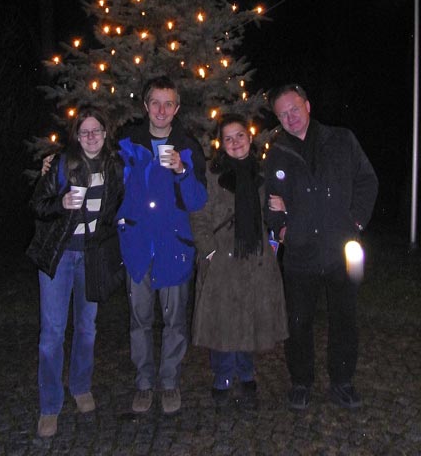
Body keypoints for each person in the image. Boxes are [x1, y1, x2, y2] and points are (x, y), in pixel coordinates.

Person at [264, 84, 378, 411]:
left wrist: (355, 222)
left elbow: (367, 181)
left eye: (294, 109)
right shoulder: (278, 152)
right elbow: (270, 200)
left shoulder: (341, 140)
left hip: (343, 249)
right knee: (298, 322)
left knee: (344, 318)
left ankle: (342, 382)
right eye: (283, 114)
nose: (291, 117)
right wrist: (282, 229)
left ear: (308, 105)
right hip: (300, 253)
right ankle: (301, 382)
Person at [26, 107, 124, 438]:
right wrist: (61, 204)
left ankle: (80, 387)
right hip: (60, 254)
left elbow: (117, 206)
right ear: (76, 136)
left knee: (87, 328)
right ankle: (50, 405)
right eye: (85, 132)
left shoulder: (115, 166)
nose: (92, 137)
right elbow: (38, 205)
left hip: (92, 256)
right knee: (52, 333)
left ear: (106, 133)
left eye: (97, 131)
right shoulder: (62, 163)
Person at [116, 75, 207, 415]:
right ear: (145, 105)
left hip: (174, 248)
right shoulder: (127, 143)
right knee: (139, 320)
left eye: (169, 103)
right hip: (139, 247)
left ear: (177, 108)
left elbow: (198, 201)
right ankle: (143, 382)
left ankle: (168, 381)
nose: (161, 110)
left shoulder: (188, 147)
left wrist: (183, 171)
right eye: (155, 102)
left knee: (174, 321)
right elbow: (109, 183)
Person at [191, 114, 288, 404]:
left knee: (249, 315)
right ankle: (222, 374)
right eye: (229, 138)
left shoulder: (264, 173)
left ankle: (246, 373)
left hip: (254, 256)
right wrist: (209, 250)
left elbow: (274, 211)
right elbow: (198, 214)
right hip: (221, 255)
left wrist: (272, 243)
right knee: (222, 318)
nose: (235, 143)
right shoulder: (211, 173)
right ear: (222, 143)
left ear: (250, 137)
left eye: (240, 136)